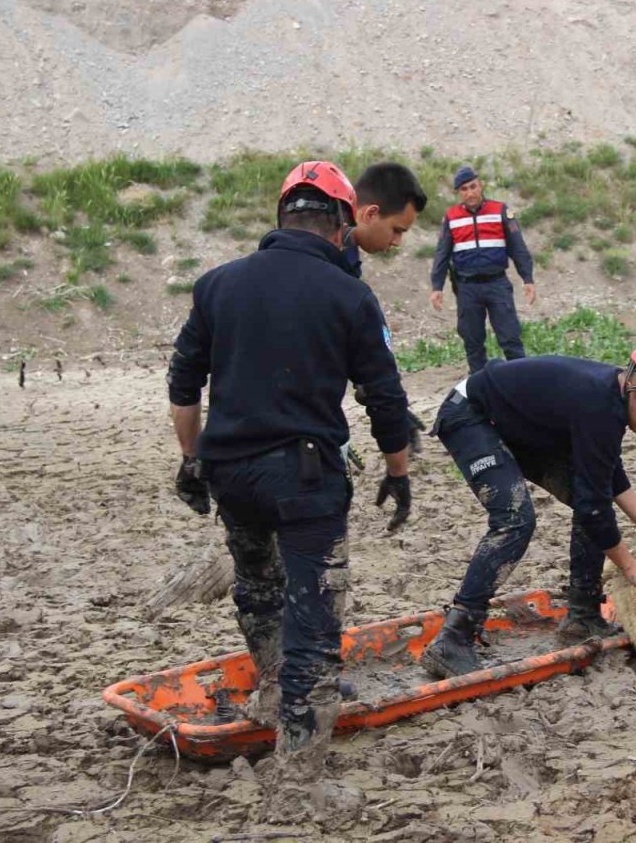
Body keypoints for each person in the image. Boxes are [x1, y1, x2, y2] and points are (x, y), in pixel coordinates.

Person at [167, 160, 423, 817]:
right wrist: (397, 470)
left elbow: (183, 382)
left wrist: (192, 460)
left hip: (230, 469)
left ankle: (275, 691)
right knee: (315, 617)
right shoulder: (348, 297)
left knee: (256, 584)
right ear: (342, 224)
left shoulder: (218, 285)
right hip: (303, 475)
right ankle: (299, 784)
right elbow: (384, 397)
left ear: (283, 218)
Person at [420, 341, 636, 679]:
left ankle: (582, 616)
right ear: (635, 385)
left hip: (520, 428)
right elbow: (594, 501)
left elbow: (604, 472)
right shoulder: (597, 402)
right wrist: (630, 565)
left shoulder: (612, 400)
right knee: (515, 520)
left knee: (590, 501)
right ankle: (453, 639)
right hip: (471, 416)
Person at [342, 162, 432, 453]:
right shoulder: (323, 256)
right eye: (396, 230)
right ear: (370, 213)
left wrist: (387, 401)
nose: (397, 242)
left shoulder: (346, 255)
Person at [428, 165, 536, 374]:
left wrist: (527, 279)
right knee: (473, 342)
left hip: (497, 285)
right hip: (467, 289)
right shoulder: (451, 217)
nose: (470, 193)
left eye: (473, 187)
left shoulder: (501, 210)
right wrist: (436, 287)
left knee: (511, 339)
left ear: (480, 185)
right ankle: (480, 390)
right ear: (459, 193)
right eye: (464, 189)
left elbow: (518, 247)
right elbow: (442, 253)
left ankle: (522, 384)